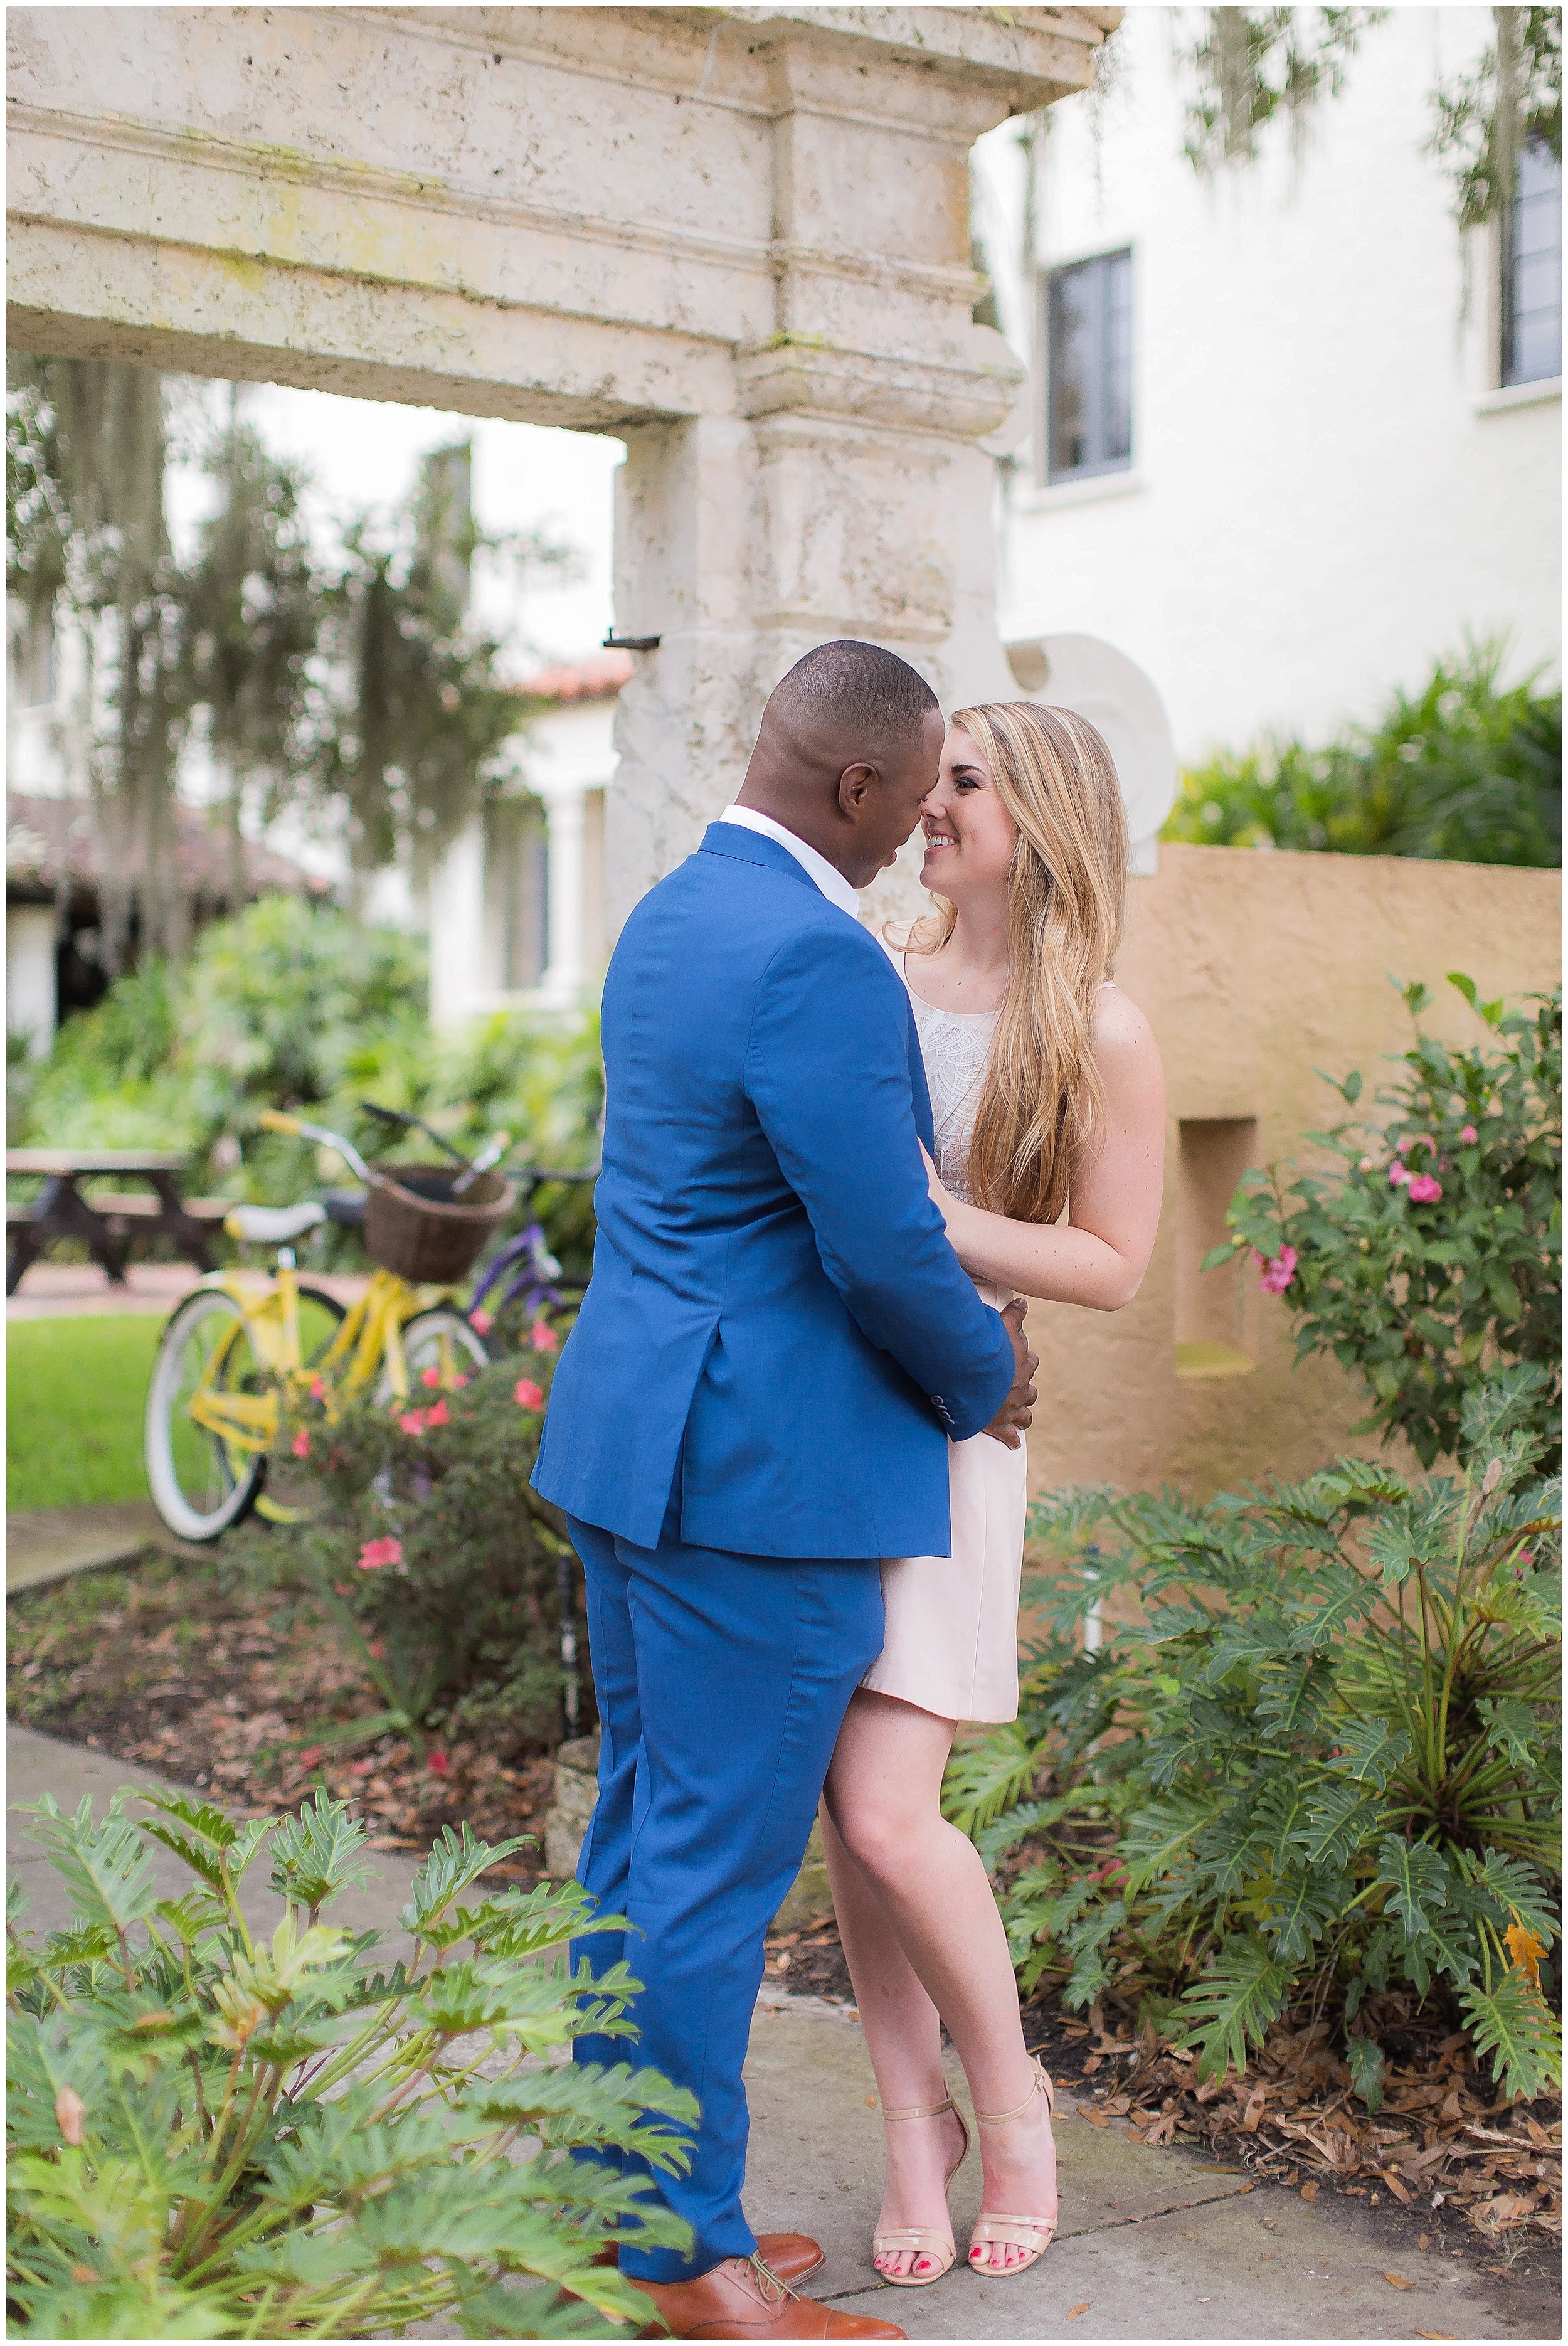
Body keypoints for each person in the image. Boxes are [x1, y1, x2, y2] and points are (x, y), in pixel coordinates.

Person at [531, 642, 1038, 2342]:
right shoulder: (820, 957)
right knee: (706, 1873)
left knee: (637, 1843)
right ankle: (689, 2265)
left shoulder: (674, 912)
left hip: (630, 1443)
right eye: (910, 791)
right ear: (852, 788)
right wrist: (986, 1375)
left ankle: (627, 2212)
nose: (917, 825)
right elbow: (876, 1235)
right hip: (754, 1480)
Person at [818, 700, 1165, 2291]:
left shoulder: (1092, 1022)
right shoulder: (871, 979)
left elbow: (1109, 1260)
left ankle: (1009, 2106)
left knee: (894, 1805)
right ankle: (913, 2124)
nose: (926, 801)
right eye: (932, 777)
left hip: (958, 1431)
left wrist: (930, 1220)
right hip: (828, 1417)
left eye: (963, 781)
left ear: (1042, 817)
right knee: (849, 1809)